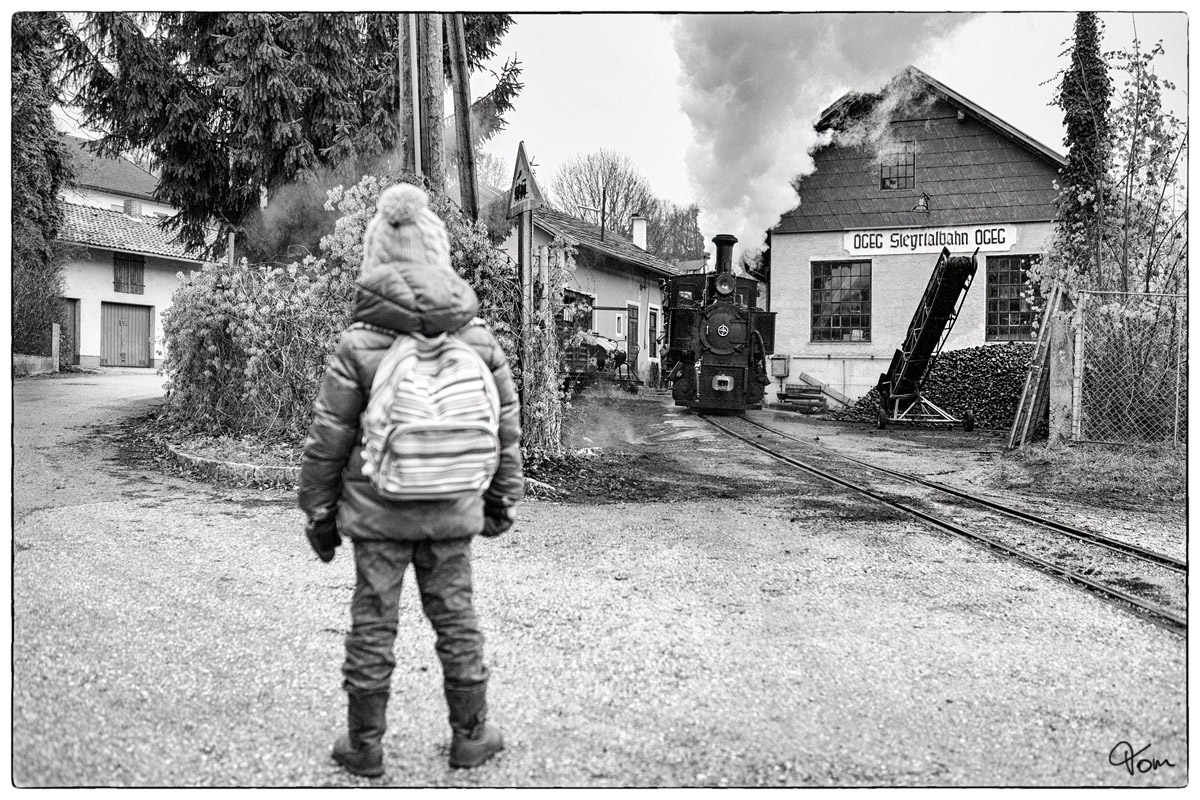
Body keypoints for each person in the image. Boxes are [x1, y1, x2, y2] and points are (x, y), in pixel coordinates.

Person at [298, 182, 523, 778]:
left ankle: (364, 747)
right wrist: (500, 502)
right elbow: (504, 430)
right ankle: (470, 737)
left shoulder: (359, 344)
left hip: (378, 512)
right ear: (440, 254)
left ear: (375, 257)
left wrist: (319, 514)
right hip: (452, 505)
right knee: (457, 621)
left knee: (373, 622)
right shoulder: (475, 338)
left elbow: (328, 440)